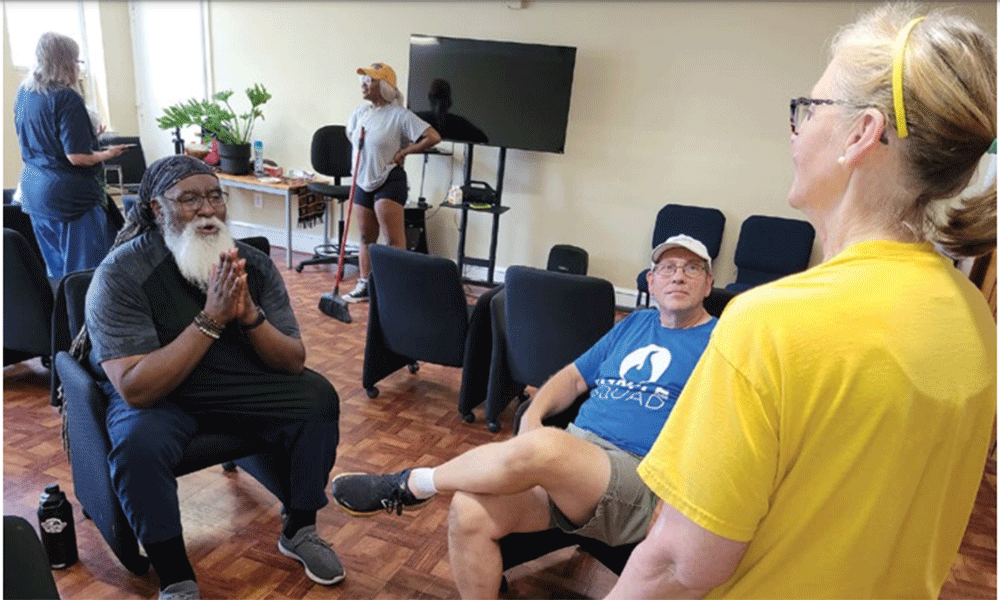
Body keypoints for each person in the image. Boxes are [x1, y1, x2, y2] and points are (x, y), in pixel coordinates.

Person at [607, 5, 996, 599]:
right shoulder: (974, 319)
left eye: (809, 109)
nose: (795, 129)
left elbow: (676, 567)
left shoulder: (771, 324)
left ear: (861, 134)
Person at [331, 234, 719, 599]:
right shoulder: (636, 324)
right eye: (668, 268)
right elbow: (571, 377)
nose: (678, 276)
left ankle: (410, 484)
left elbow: (720, 439)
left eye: (691, 268)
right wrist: (533, 415)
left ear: (708, 283)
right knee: (468, 512)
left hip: (639, 478)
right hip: (575, 462)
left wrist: (676, 505)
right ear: (651, 281)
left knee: (549, 446)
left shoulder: (721, 342)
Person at [77, 155, 343, 600]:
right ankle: (176, 577)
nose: (206, 209)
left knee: (317, 397)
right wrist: (211, 319)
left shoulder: (252, 266)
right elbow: (136, 388)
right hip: (162, 398)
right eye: (189, 199)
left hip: (234, 384)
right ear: (158, 210)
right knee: (137, 446)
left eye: (215, 196)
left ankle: (299, 529)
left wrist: (250, 315)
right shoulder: (121, 275)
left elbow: (293, 360)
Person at [13, 31, 132, 279]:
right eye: (77, 61)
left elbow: (44, 143)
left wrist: (89, 137)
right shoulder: (66, 97)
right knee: (85, 276)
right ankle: (84, 319)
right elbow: (76, 157)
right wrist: (107, 153)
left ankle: (65, 318)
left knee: (57, 274)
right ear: (66, 62)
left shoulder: (24, 94)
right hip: (71, 200)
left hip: (35, 194)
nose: (78, 68)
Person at [341, 62, 442, 303]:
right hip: (362, 180)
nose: (365, 84)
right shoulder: (359, 113)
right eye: (363, 80)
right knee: (365, 238)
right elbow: (350, 135)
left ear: (385, 87)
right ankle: (364, 285)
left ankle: (398, 290)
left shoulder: (400, 116)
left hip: (388, 179)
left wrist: (405, 151)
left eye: (371, 80)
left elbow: (433, 137)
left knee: (394, 241)